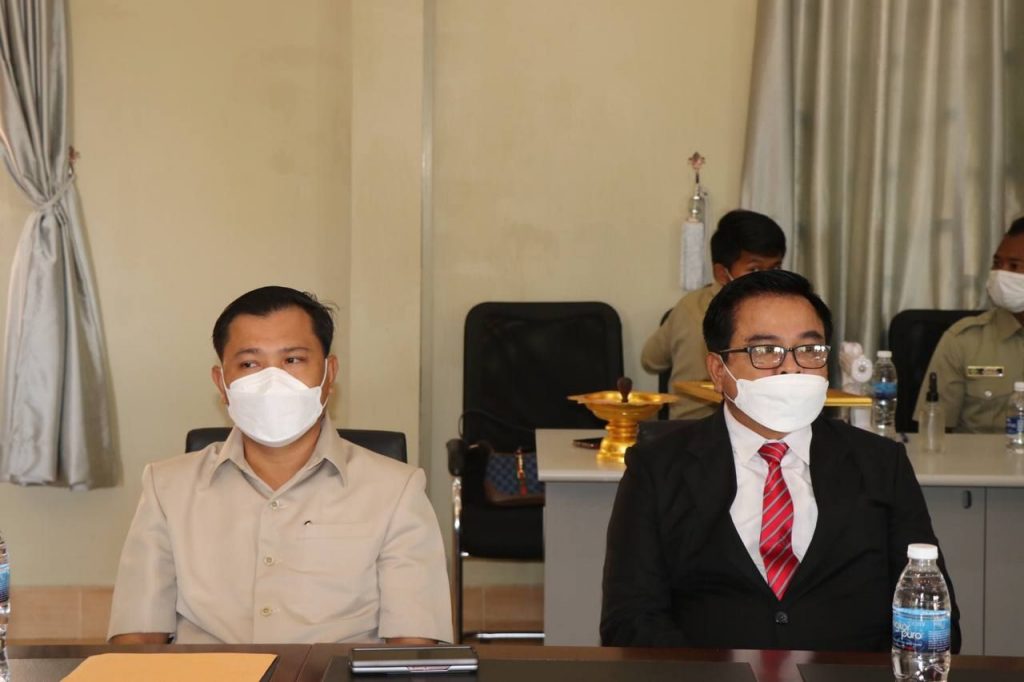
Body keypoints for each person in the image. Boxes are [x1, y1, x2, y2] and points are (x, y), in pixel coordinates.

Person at [602, 270, 960, 651]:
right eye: (765, 351)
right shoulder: (657, 470)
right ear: (718, 371)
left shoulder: (882, 464)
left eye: (810, 350)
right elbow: (630, 622)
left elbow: (931, 613)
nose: (791, 367)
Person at [108, 286, 452, 644]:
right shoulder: (166, 488)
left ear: (329, 373)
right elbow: (136, 641)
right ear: (222, 383)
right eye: (249, 364)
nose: (273, 382)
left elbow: (414, 649)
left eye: (293, 360)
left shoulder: (395, 491)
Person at [641, 209, 786, 419]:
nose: (768, 280)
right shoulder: (706, 317)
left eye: (776, 268)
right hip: (700, 428)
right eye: (754, 270)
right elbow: (649, 361)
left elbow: (651, 360)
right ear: (722, 273)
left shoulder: (688, 304)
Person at [914, 217, 1024, 432]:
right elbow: (934, 430)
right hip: (979, 455)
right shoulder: (964, 340)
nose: (1000, 275)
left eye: (1014, 266)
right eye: (997, 264)